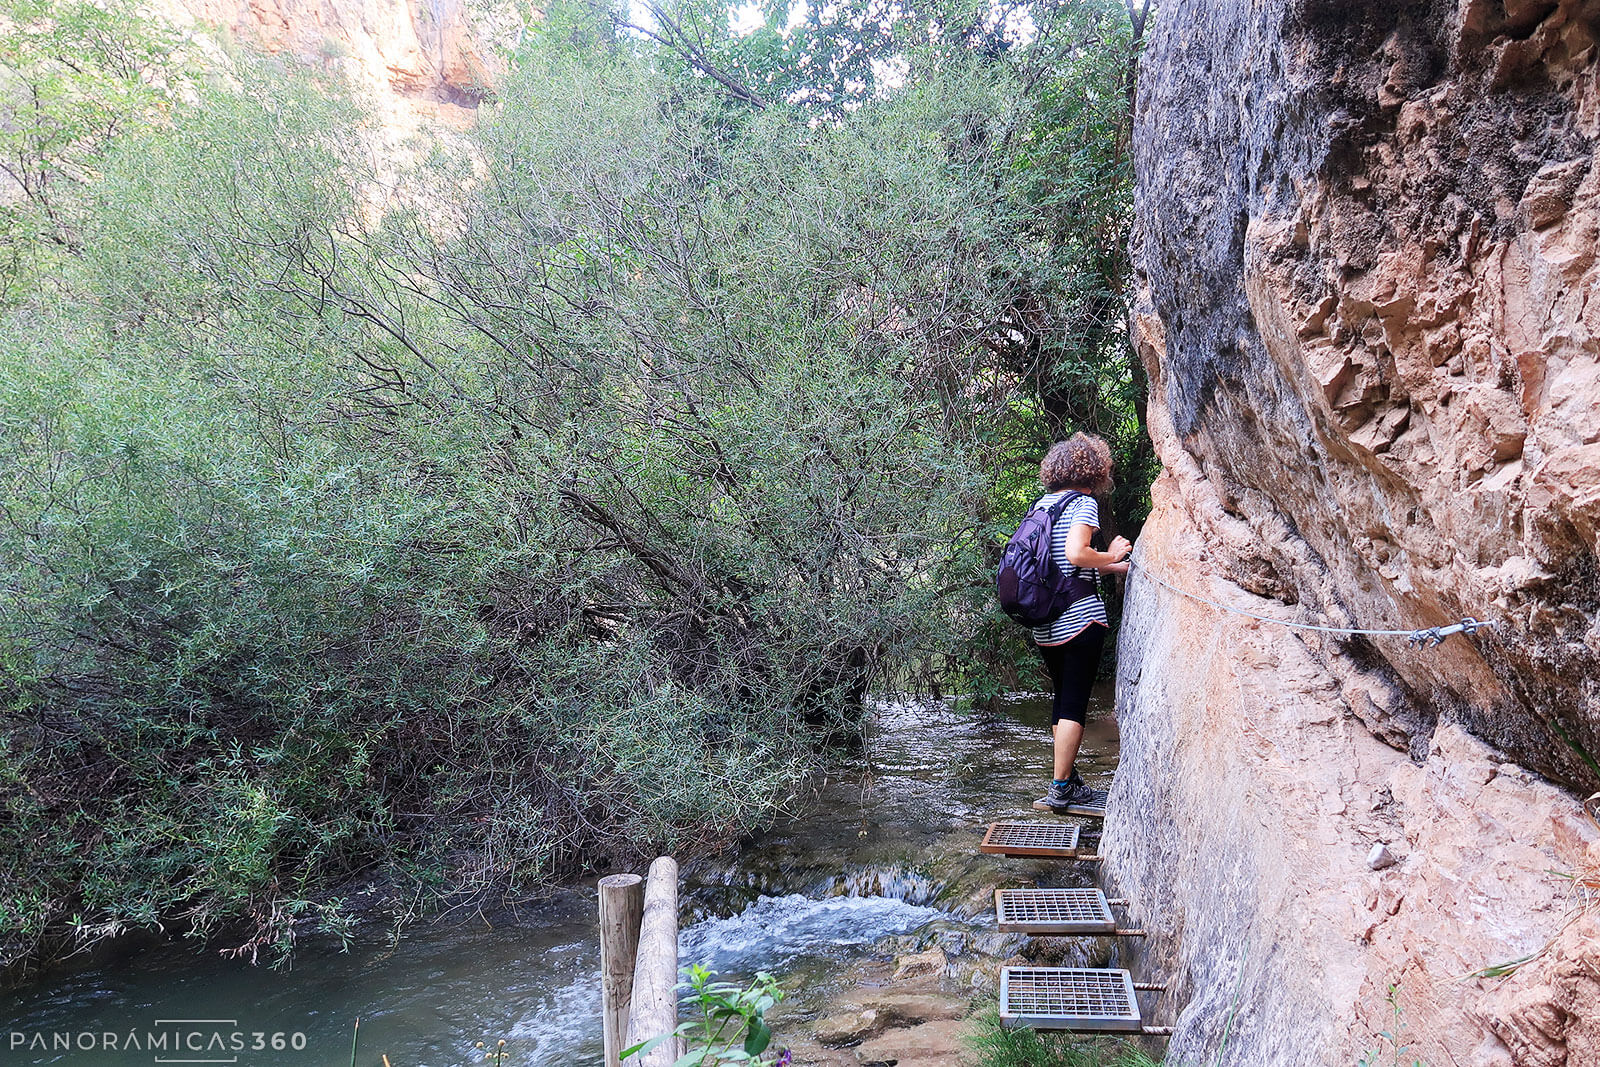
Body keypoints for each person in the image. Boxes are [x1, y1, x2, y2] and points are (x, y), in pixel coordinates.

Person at [1029, 433, 1131, 814]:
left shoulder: (1043, 505)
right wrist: (1113, 554)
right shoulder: (1083, 503)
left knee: (1062, 700)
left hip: (1046, 624)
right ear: (1094, 471)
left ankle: (1067, 780)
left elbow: (1064, 565)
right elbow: (1076, 554)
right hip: (1079, 622)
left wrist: (1112, 567)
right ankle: (1060, 788)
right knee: (1074, 704)